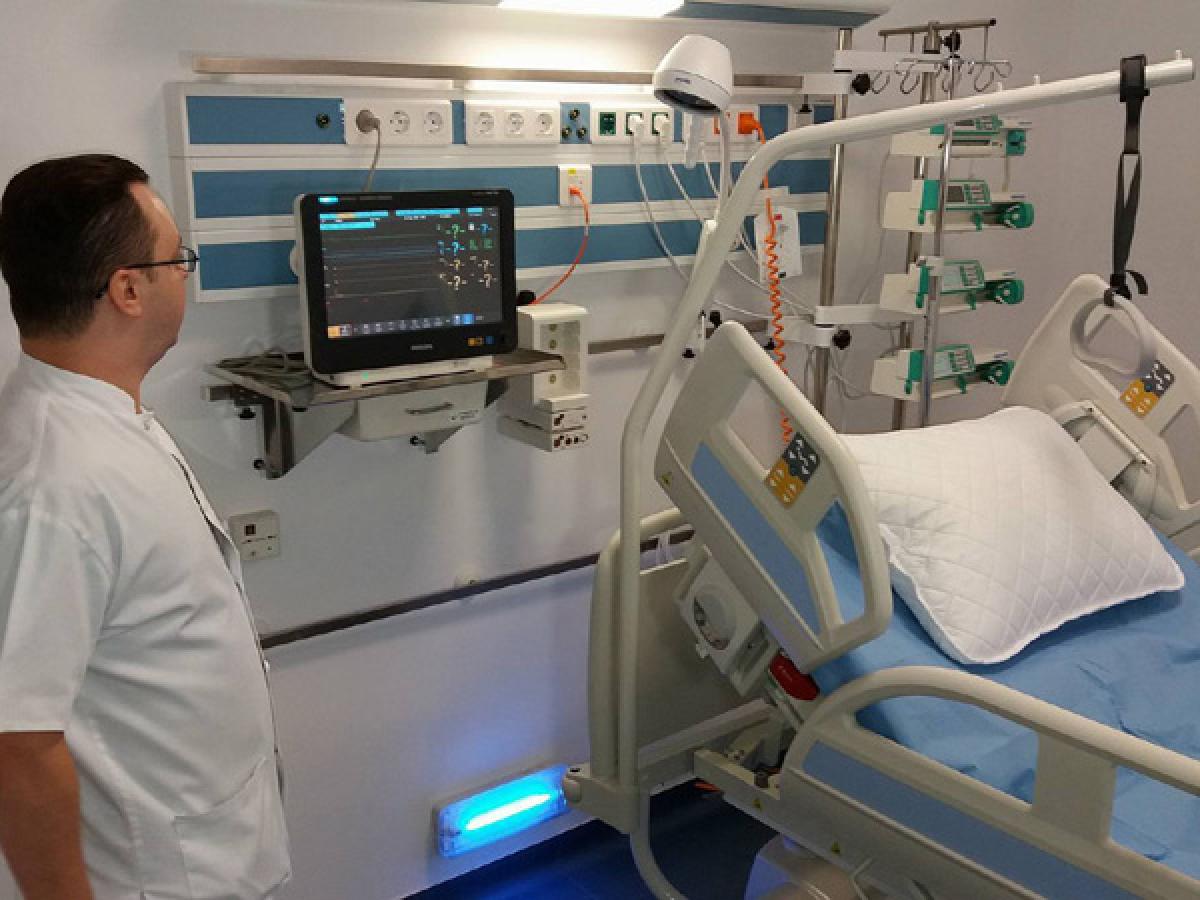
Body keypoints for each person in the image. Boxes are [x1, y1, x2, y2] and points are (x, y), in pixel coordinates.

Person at [0, 155, 290, 900]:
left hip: (211, 843)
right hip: (157, 877)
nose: (184, 275)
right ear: (128, 289)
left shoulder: (104, 419)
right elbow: (17, 743)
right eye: (177, 259)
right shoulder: (53, 484)